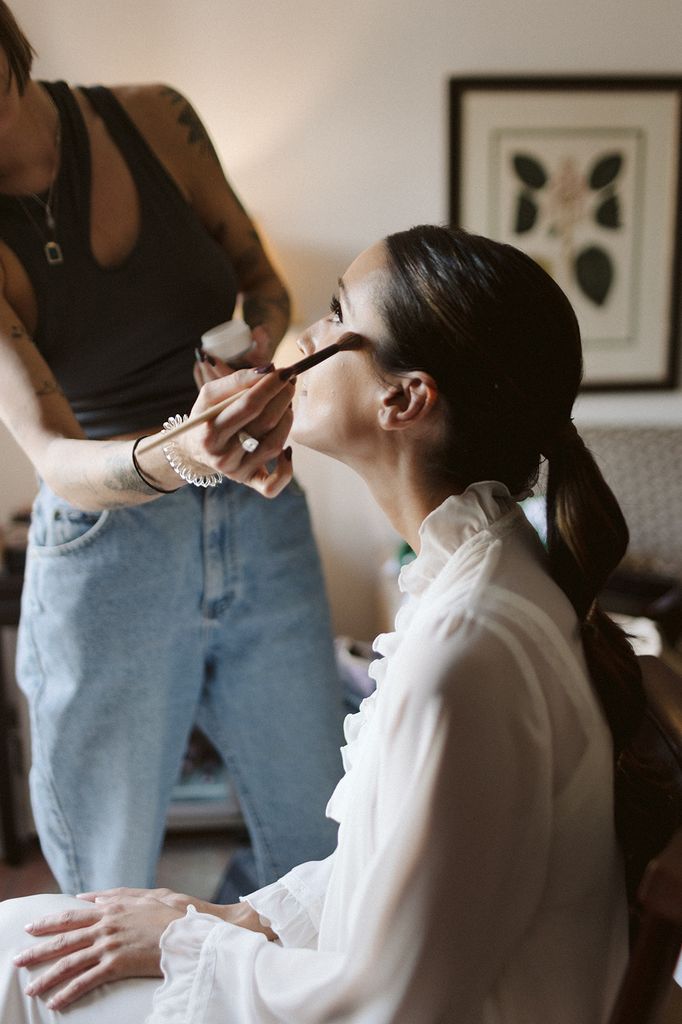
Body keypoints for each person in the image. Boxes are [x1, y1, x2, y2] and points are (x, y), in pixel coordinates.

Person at [0, 224, 645, 1022]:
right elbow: (373, 877)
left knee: (19, 973)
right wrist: (220, 915)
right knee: (21, 932)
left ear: (403, 398)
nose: (301, 336)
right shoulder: (478, 568)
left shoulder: (465, 654)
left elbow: (397, 1003)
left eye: (337, 316)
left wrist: (185, 943)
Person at [0, 1, 344, 902]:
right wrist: (180, 455)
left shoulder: (156, 117)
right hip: (106, 547)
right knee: (107, 879)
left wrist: (254, 367)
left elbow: (262, 283)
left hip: (262, 520)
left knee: (317, 841)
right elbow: (48, 450)